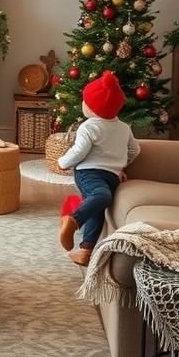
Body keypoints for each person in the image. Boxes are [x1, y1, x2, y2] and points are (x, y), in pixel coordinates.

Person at [57, 70, 140, 266]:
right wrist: (122, 162)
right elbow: (134, 151)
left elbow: (79, 151)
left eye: (85, 102)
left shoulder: (97, 126)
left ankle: (85, 250)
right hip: (89, 172)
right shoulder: (113, 127)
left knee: (98, 209)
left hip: (110, 175)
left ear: (92, 108)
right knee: (102, 196)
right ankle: (74, 221)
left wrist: (120, 166)